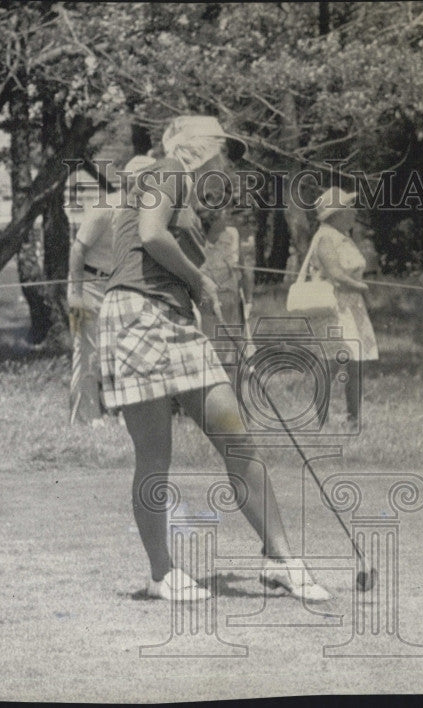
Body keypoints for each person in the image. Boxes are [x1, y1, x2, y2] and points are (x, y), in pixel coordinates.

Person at [98, 116, 330, 602]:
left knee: (238, 439)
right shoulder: (166, 171)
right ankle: (161, 573)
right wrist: (201, 281)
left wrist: (200, 285)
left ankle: (282, 561)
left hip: (175, 321)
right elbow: (151, 235)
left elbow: (174, 249)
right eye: (223, 153)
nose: (226, 165)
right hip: (136, 315)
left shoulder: (190, 200)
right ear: (196, 149)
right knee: (156, 455)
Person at [67, 155, 156, 426]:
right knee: (89, 353)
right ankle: (87, 417)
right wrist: (77, 295)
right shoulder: (105, 207)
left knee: (123, 351)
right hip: (91, 284)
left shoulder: (147, 211)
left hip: (122, 285)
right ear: (129, 181)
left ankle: (119, 412)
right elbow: (78, 250)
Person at [306, 187, 379, 431]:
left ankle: (353, 419)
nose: (354, 211)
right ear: (336, 213)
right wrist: (362, 286)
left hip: (353, 306)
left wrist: (360, 290)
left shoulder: (343, 237)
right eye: (349, 207)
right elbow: (336, 274)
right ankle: (321, 421)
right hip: (334, 307)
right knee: (333, 362)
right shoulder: (325, 237)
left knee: (356, 361)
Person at [197, 204, 252, 364]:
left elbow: (244, 267)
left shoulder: (231, 235)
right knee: (209, 339)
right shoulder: (196, 238)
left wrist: (248, 300)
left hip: (230, 295)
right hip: (205, 297)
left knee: (230, 341)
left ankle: (230, 369)